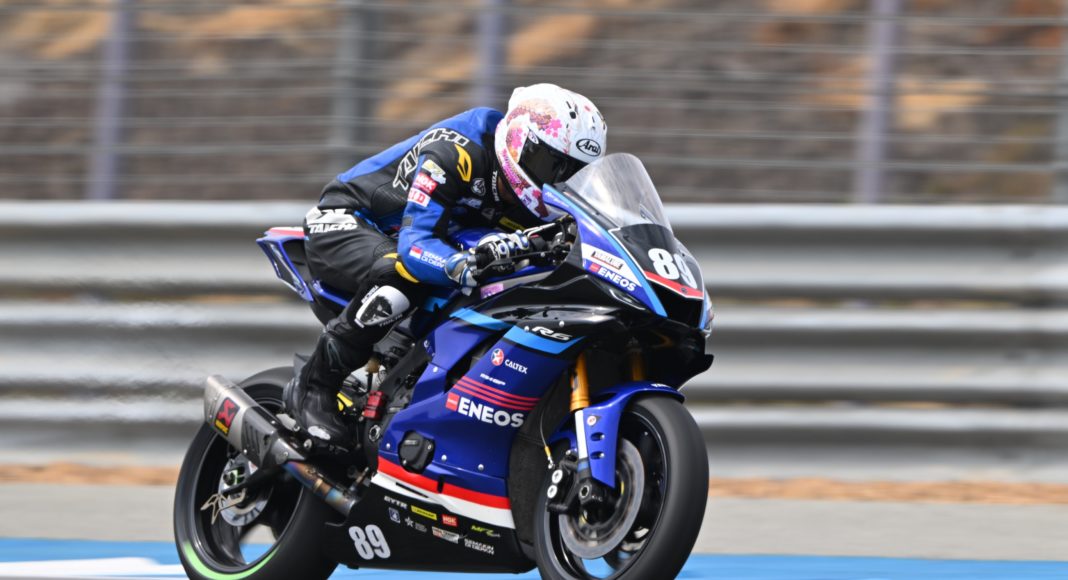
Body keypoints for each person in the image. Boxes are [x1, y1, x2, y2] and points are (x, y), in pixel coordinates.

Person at [285, 83, 608, 442]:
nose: (557, 181)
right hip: (350, 221)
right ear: (518, 140)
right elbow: (415, 246)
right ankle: (313, 386)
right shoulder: (457, 149)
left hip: (432, 240)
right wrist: (460, 265)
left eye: (572, 174)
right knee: (400, 275)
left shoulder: (544, 203)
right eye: (551, 165)